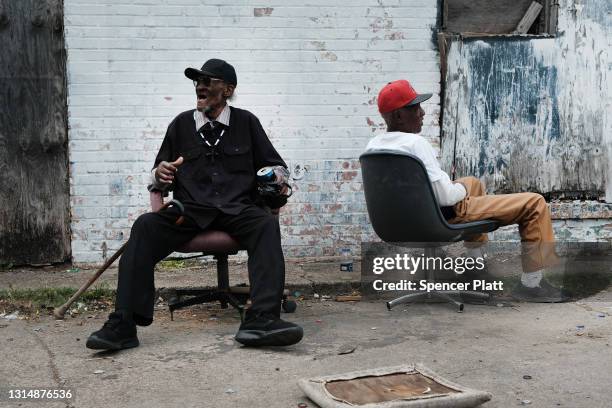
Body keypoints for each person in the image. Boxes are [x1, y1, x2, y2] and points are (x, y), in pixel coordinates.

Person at [86, 58, 303, 350]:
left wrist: (276, 178)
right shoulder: (180, 125)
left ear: (228, 89)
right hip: (190, 211)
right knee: (145, 226)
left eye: (208, 80)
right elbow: (158, 174)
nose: (200, 86)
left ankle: (261, 320)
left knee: (265, 225)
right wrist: (160, 173)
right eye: (197, 81)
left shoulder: (247, 122)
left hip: (238, 209)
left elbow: (276, 167)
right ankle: (123, 324)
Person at [365, 79, 568, 302]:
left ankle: (475, 272)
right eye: (415, 108)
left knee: (473, 182)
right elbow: (446, 197)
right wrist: (458, 188)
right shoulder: (415, 144)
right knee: (534, 203)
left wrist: (462, 186)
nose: (422, 113)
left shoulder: (374, 146)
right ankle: (532, 285)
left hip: (399, 224)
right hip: (441, 218)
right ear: (398, 116)